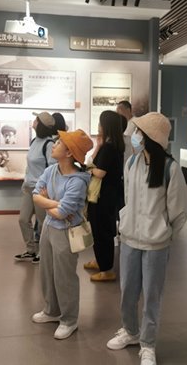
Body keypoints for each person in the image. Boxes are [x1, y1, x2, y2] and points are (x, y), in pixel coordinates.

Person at [107, 112, 187, 365]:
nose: (134, 136)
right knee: (127, 291)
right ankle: (130, 331)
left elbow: (179, 210)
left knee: (152, 296)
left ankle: (148, 344)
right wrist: (126, 223)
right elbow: (128, 199)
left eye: (139, 132)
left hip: (156, 244)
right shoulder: (131, 162)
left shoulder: (170, 168)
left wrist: (165, 233)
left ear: (151, 137)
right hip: (130, 239)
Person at [31, 129, 93, 340]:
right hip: (48, 228)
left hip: (66, 232)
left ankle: (69, 320)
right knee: (47, 272)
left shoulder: (78, 181)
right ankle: (51, 310)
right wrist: (56, 204)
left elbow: (62, 213)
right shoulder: (51, 171)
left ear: (69, 153)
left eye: (59, 143)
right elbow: (35, 196)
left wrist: (49, 203)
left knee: (64, 277)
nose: (54, 144)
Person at [84, 110, 124, 281]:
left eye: (100, 123)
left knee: (102, 232)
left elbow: (99, 172)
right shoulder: (108, 146)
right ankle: (100, 262)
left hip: (104, 197)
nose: (98, 126)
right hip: (103, 196)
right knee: (97, 230)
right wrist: (98, 146)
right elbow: (93, 162)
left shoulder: (110, 148)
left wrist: (89, 169)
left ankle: (107, 269)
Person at [14, 112, 56, 264]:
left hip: (41, 189)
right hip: (29, 187)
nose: (34, 121)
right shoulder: (34, 141)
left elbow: (52, 169)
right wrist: (25, 182)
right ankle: (31, 250)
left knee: (43, 222)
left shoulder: (49, 144)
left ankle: (44, 253)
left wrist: (47, 189)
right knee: (23, 219)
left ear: (41, 124)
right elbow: (30, 166)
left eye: (36, 120)